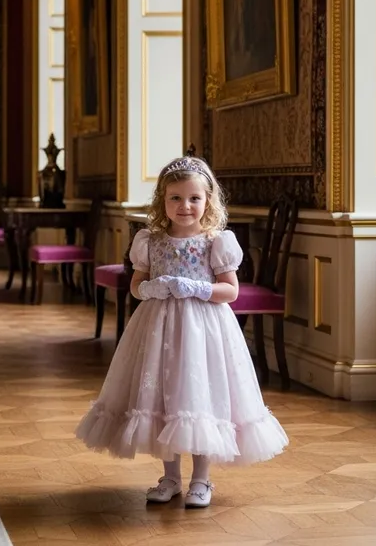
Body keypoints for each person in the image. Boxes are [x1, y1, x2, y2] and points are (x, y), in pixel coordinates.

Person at [75, 155, 288, 508]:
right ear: (162, 200)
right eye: (175, 197)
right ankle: (171, 477)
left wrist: (196, 288)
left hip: (203, 330)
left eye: (194, 198)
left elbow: (230, 291)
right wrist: (150, 288)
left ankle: (201, 479)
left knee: (199, 399)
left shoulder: (215, 242)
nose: (184, 206)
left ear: (208, 201)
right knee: (164, 398)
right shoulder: (150, 240)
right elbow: (136, 285)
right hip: (158, 328)